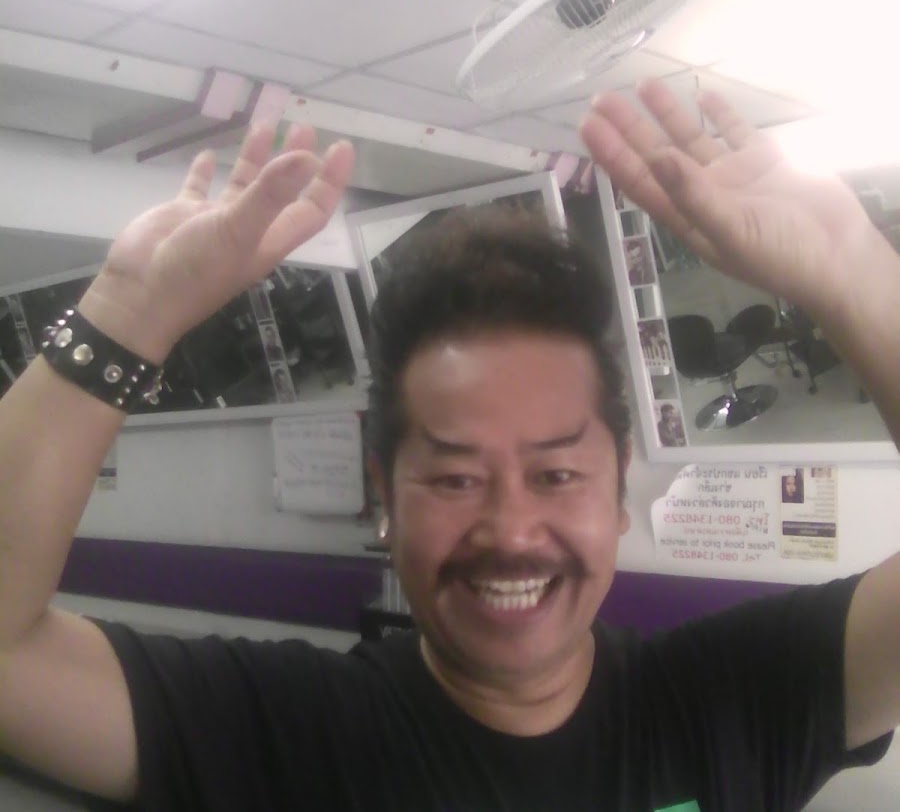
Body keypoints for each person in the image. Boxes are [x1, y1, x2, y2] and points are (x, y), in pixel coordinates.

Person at [0, 82, 897, 811]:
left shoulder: (733, 700)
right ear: (386, 497)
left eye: (556, 472)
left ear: (618, 486)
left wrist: (855, 275)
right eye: (457, 477)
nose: (511, 530)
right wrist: (126, 311)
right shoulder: (289, 731)